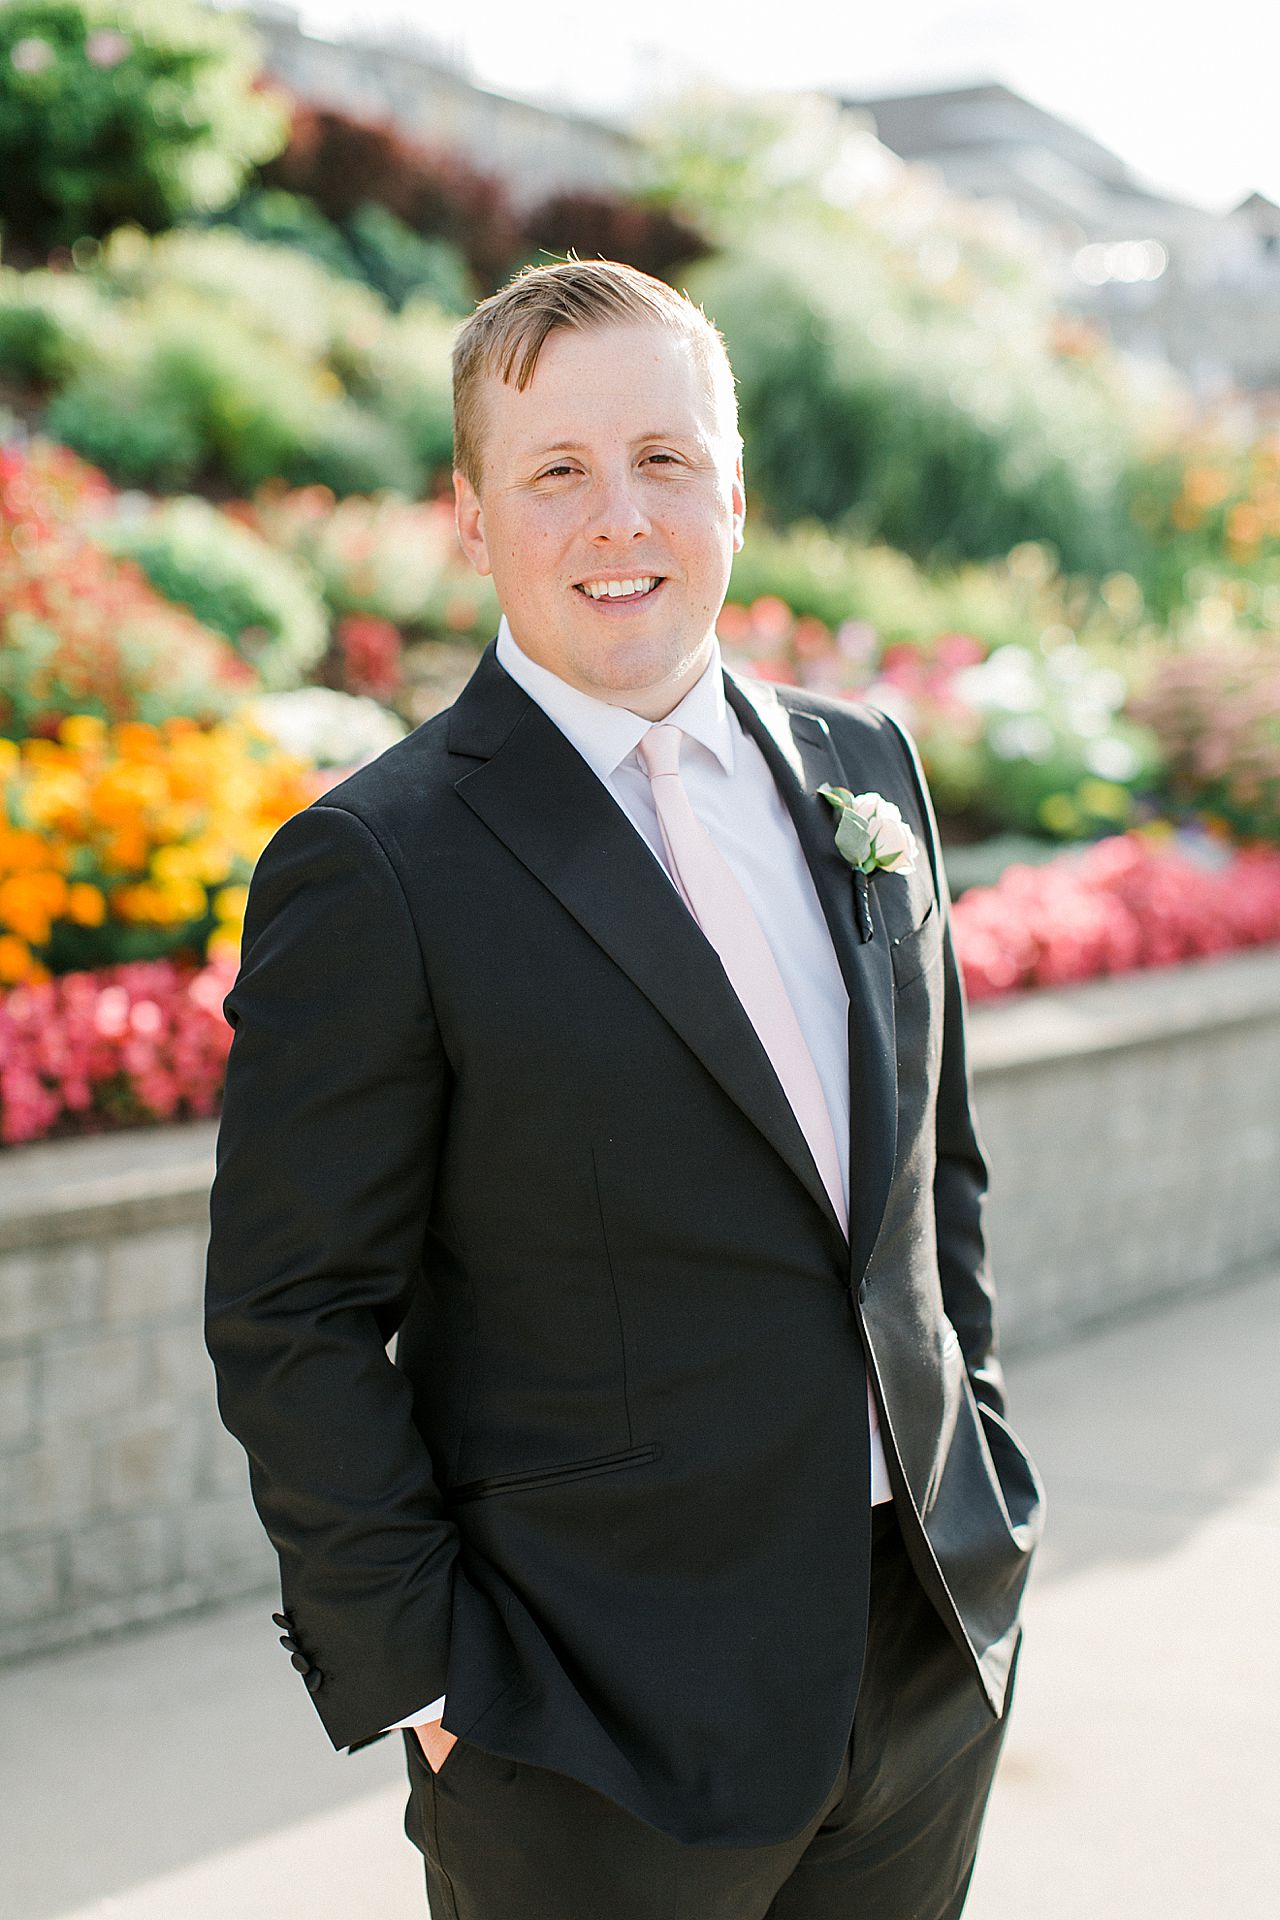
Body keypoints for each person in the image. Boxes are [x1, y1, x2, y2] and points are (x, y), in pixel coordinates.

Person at [205, 258, 1044, 1920]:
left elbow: (933, 1179)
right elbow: (292, 1313)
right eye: (558, 472)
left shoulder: (865, 772)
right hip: (585, 1722)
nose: (621, 520)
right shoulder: (377, 864)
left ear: (734, 486)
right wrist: (429, 1687)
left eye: (664, 460)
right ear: (471, 514)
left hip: (926, 1652)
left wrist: (986, 1483)